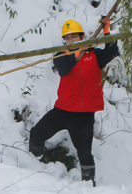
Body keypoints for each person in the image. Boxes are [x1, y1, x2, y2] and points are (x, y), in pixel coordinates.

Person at [29, 17, 120, 185]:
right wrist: (78, 52)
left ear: (82, 37)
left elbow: (112, 51)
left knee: (85, 153)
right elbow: (64, 69)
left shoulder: (94, 55)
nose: (71, 41)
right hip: (63, 110)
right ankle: (33, 167)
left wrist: (107, 30)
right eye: (68, 38)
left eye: (74, 37)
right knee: (36, 134)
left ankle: (89, 183)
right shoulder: (61, 55)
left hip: (84, 115)